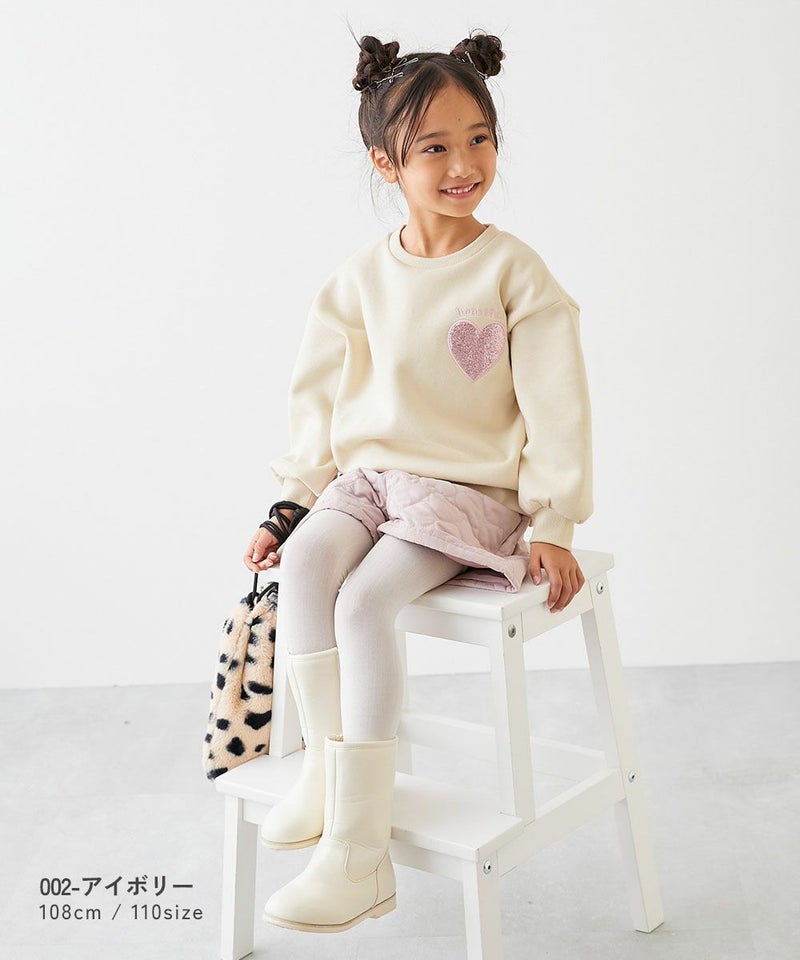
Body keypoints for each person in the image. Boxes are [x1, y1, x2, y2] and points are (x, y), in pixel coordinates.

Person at [242, 29, 593, 935]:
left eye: (479, 138)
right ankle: (328, 771)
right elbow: (318, 398)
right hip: (372, 477)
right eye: (434, 147)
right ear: (385, 162)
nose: (463, 164)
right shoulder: (359, 279)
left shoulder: (514, 271)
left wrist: (554, 520)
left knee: (365, 604)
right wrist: (292, 501)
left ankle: (359, 853)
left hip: (467, 490)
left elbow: (557, 404)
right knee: (308, 563)